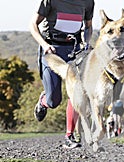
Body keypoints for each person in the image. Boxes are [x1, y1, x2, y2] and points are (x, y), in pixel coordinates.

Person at [29, 0, 94, 148]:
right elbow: (33, 24)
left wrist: (86, 42)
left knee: (77, 92)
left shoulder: (88, 2)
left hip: (73, 51)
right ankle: (44, 101)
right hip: (51, 50)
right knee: (54, 101)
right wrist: (45, 45)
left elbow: (88, 26)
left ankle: (69, 135)